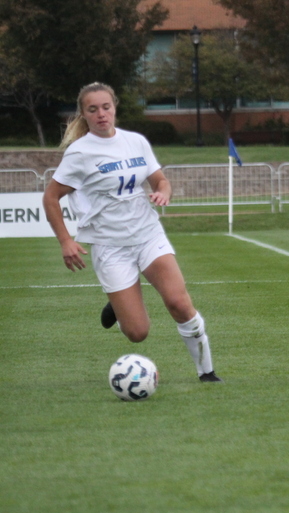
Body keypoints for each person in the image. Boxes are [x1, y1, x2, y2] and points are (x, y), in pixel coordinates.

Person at [42, 82, 222, 383]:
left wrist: (163, 192)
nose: (101, 114)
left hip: (148, 235)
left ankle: (207, 372)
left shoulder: (135, 141)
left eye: (106, 107)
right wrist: (65, 241)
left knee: (179, 303)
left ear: (115, 107)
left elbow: (160, 180)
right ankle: (119, 305)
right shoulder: (80, 152)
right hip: (110, 246)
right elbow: (50, 198)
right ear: (83, 114)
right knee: (138, 333)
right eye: (93, 109)